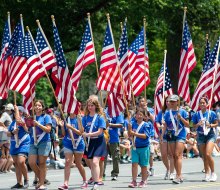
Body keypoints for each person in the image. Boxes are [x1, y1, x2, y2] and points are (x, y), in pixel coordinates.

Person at [162, 94, 189, 184]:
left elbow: (188, 124)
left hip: (180, 134)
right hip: (171, 135)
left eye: (174, 101)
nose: (172, 103)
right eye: (171, 101)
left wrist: (180, 118)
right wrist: (162, 135)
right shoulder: (167, 113)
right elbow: (165, 124)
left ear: (177, 102)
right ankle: (178, 175)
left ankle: (178, 175)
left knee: (178, 154)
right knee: (173, 155)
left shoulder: (183, 112)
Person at [82, 98, 107, 190]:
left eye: (92, 105)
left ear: (96, 106)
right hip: (90, 142)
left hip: (99, 142)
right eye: (88, 105)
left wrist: (88, 134)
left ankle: (97, 182)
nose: (90, 107)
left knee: (95, 161)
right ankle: (96, 179)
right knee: (92, 163)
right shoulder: (85, 117)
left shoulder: (100, 117)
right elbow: (82, 129)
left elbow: (100, 132)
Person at [192, 96, 218, 182]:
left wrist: (210, 125)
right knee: (204, 156)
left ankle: (213, 173)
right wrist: (198, 124)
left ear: (207, 104)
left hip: (210, 135)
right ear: (199, 104)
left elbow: (216, 124)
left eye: (204, 103)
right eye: (201, 103)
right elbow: (193, 126)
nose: (202, 104)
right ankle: (207, 173)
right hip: (200, 136)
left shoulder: (212, 113)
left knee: (207, 154)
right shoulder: (196, 114)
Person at [58, 112, 87, 190]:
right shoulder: (66, 119)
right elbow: (64, 134)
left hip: (79, 143)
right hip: (68, 143)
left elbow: (80, 133)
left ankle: (85, 180)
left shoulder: (79, 119)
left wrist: (70, 127)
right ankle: (65, 183)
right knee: (68, 161)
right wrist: (62, 127)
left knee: (78, 163)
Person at [28, 100, 52, 190]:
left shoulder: (46, 117)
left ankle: (41, 184)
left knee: (42, 163)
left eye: (39, 105)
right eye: (35, 105)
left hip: (44, 142)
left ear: (42, 107)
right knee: (31, 162)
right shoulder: (31, 118)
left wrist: (38, 124)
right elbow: (28, 130)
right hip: (33, 142)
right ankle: (43, 179)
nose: (37, 107)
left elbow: (48, 130)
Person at [7, 106, 30, 189]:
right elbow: (8, 134)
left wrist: (23, 125)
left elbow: (28, 130)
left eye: (20, 111)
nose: (18, 112)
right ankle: (19, 183)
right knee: (16, 164)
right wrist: (13, 132)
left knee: (21, 161)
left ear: (22, 112)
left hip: (23, 143)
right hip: (14, 144)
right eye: (17, 111)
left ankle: (26, 180)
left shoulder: (25, 120)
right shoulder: (13, 122)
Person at [128, 109, 151, 188]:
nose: (139, 116)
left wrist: (134, 133)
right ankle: (134, 181)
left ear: (144, 116)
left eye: (141, 114)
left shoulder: (146, 125)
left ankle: (143, 180)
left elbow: (145, 136)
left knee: (144, 165)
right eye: (137, 114)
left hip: (144, 148)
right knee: (134, 164)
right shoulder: (133, 124)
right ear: (135, 115)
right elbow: (129, 135)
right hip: (135, 147)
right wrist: (129, 129)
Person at [155, 96, 175, 180]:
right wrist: (159, 126)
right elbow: (157, 121)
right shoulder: (162, 112)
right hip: (163, 135)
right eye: (166, 101)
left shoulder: (174, 112)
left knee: (171, 154)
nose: (168, 102)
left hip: (171, 134)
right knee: (163, 155)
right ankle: (168, 168)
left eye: (169, 101)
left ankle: (172, 172)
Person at [105, 110, 124, 181]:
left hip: (114, 138)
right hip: (104, 138)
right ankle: (101, 173)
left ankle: (115, 173)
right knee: (103, 157)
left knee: (115, 157)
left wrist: (110, 124)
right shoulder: (104, 111)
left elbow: (121, 124)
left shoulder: (117, 112)